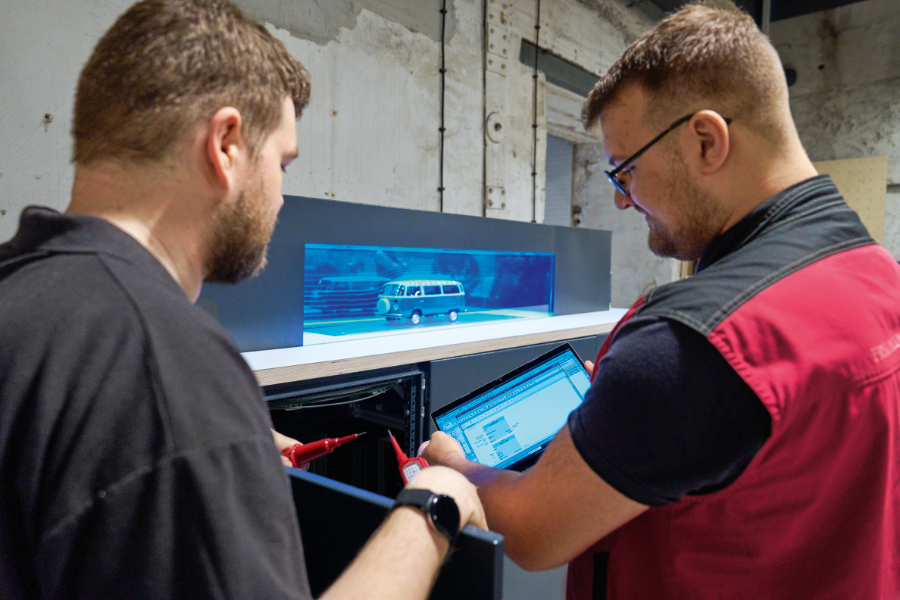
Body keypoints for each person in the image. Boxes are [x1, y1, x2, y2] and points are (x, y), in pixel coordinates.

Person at [0, 1, 486, 599]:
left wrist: (222, 445)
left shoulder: (22, 300)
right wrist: (437, 504)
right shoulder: (166, 363)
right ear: (226, 143)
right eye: (282, 162)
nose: (281, 197)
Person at [421, 3, 900, 599]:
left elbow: (533, 532)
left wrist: (453, 465)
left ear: (705, 141)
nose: (623, 200)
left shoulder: (691, 342)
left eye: (626, 171)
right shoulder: (878, 273)